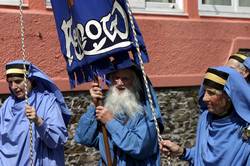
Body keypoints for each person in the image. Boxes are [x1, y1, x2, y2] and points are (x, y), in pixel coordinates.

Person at [74, 60, 163, 165]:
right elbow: (83, 138)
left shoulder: (146, 114)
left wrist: (110, 122)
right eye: (116, 78)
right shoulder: (107, 110)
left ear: (135, 82)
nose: (119, 83)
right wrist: (94, 105)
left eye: (125, 79)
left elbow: (139, 148)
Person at [160, 66, 250, 165]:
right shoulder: (205, 118)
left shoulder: (245, 128)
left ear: (229, 95)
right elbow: (202, 156)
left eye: (211, 93)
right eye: (205, 91)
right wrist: (181, 151)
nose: (205, 98)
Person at [0, 60, 71, 166]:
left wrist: (38, 121)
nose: (13, 86)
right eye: (10, 82)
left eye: (18, 81)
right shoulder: (7, 106)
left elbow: (57, 140)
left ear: (30, 80)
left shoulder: (47, 102)